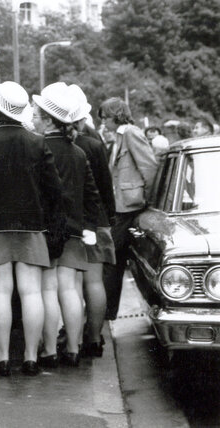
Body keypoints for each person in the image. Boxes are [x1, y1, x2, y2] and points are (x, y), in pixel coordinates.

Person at [0, 82, 64, 377]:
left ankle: (3, 357)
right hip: (31, 224)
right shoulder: (37, 142)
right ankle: (31, 357)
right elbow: (54, 188)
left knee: (0, 292)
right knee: (31, 292)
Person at [31, 83, 101, 369]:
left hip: (46, 230)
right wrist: (88, 226)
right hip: (73, 229)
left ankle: (49, 350)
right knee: (70, 290)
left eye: (36, 114)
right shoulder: (78, 152)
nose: (33, 118)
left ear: (48, 119)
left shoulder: (37, 148)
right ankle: (73, 348)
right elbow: (92, 195)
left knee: (48, 290)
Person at [100, 96, 160, 321]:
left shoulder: (131, 134)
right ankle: (107, 311)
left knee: (113, 259)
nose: (104, 123)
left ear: (116, 116)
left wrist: (148, 202)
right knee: (114, 258)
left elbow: (149, 168)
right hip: (123, 206)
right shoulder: (120, 136)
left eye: (106, 118)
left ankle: (107, 312)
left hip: (131, 207)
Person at [66, 84, 115, 357]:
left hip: (68, 223)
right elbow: (106, 187)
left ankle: (70, 340)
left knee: (68, 285)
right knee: (94, 283)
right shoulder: (95, 145)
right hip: (95, 220)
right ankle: (94, 339)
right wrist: (109, 217)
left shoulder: (59, 144)